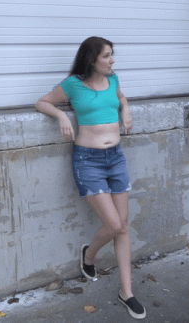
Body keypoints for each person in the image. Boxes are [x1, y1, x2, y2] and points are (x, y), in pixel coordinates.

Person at [35, 36, 145, 319]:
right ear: (92, 59)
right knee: (114, 224)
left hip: (116, 158)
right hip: (88, 161)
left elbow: (121, 97)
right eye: (107, 56)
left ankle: (127, 292)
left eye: (112, 55)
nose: (112, 61)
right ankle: (90, 255)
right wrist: (61, 117)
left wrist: (127, 111)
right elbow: (43, 102)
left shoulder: (115, 80)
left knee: (123, 227)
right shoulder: (73, 84)